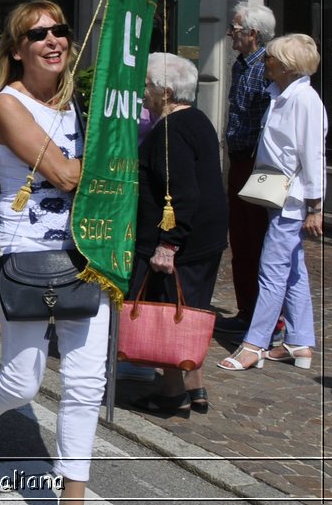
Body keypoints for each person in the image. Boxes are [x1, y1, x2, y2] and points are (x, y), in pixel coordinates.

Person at [0, 0, 106, 502]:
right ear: (17, 48)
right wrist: (112, 157)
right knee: (22, 381)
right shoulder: (7, 106)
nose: (53, 41)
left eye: (61, 31)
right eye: (39, 34)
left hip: (85, 250)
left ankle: (72, 496)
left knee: (86, 380)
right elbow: (68, 175)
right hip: (27, 251)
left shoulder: (74, 102)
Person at [219, 33, 328, 373]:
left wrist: (315, 206)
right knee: (292, 269)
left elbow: (312, 155)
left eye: (272, 58)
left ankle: (255, 344)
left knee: (272, 270)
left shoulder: (304, 99)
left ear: (287, 65)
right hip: (278, 195)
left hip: (292, 199)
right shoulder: (282, 95)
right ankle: (299, 342)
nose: (266, 61)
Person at [128, 52, 227, 414]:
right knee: (190, 309)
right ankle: (195, 387)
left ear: (166, 92)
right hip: (204, 238)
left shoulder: (169, 131)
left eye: (148, 85)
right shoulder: (197, 119)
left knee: (169, 311)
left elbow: (182, 193)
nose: (143, 92)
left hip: (183, 241)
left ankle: (172, 393)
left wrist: (168, 245)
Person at [219, 0, 277, 335]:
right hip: (239, 161)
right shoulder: (241, 63)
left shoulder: (268, 66)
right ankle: (246, 310)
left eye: (236, 29)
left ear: (253, 34)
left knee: (259, 240)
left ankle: (268, 319)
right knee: (240, 240)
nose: (230, 33)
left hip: (259, 164)